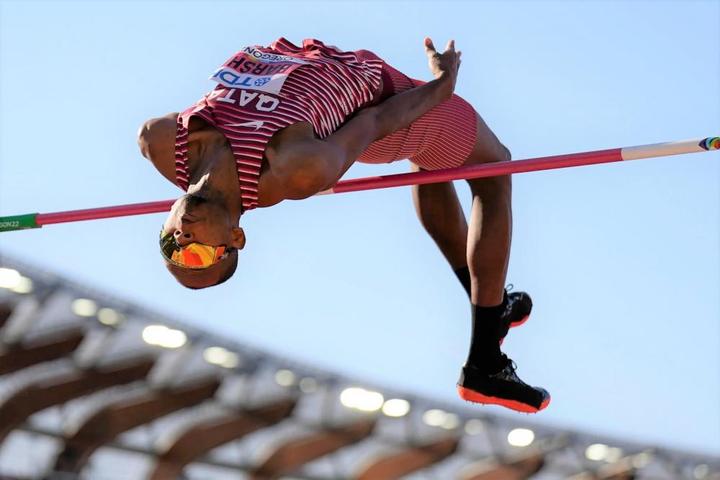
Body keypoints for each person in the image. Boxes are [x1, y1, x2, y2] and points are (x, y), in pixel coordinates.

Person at [138, 37, 550, 413]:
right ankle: (485, 362)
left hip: (316, 65)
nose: (183, 239)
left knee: (432, 163)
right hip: (384, 100)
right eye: (197, 255)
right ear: (236, 237)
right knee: (495, 169)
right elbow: (375, 120)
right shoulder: (294, 170)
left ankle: (491, 307)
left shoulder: (162, 142)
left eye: (171, 248)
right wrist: (442, 85)